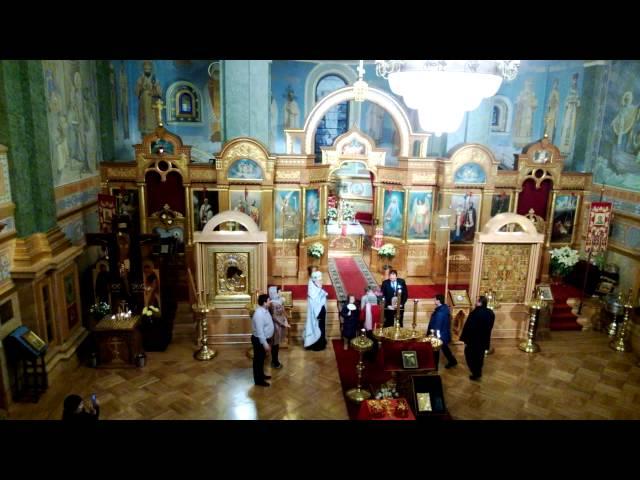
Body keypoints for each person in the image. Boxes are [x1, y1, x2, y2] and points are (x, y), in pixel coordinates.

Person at [459, 296, 495, 381]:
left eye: (477, 301)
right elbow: (490, 326)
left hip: (473, 340)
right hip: (484, 339)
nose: (475, 302)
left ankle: (475, 373)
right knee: (480, 357)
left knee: (469, 355)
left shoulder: (475, 313)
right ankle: (478, 372)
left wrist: (465, 339)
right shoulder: (491, 312)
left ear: (480, 303)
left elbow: (469, 327)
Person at [427, 294, 458, 370]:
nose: (434, 300)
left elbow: (437, 325)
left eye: (435, 299)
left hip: (439, 335)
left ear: (438, 301)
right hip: (443, 333)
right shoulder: (443, 308)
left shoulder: (440, 312)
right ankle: (452, 361)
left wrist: (434, 336)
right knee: (445, 348)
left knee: (436, 350)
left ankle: (435, 367)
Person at [251, 294, 274, 387]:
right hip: (259, 340)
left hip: (265, 339)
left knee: (261, 360)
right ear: (264, 303)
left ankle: (261, 375)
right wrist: (265, 344)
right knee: (258, 360)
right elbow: (260, 332)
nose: (270, 302)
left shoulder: (265, 310)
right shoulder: (259, 314)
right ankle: (258, 381)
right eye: (269, 300)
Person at [135, 60, 162, 136]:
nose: (147, 70)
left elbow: (160, 92)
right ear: (143, 69)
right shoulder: (140, 79)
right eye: (145, 69)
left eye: (149, 69)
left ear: (151, 69)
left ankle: (153, 132)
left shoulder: (155, 79)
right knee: (144, 117)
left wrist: (152, 91)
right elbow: (136, 92)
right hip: (143, 102)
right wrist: (142, 88)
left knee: (153, 117)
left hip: (152, 102)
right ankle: (144, 133)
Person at [303, 270, 328, 351]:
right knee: (317, 329)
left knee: (322, 328)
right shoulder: (312, 292)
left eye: (321, 280)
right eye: (320, 280)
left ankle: (322, 342)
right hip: (316, 316)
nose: (322, 282)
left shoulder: (318, 289)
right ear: (315, 281)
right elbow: (314, 305)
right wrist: (317, 314)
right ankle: (316, 344)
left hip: (321, 313)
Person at [268, 286, 290, 369]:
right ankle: (274, 361)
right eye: (278, 291)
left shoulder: (278, 301)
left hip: (279, 325)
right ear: (274, 293)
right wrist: (283, 324)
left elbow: (282, 313)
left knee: (276, 345)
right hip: (276, 326)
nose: (280, 292)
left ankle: (275, 360)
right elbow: (274, 316)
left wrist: (285, 320)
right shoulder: (273, 303)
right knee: (275, 344)